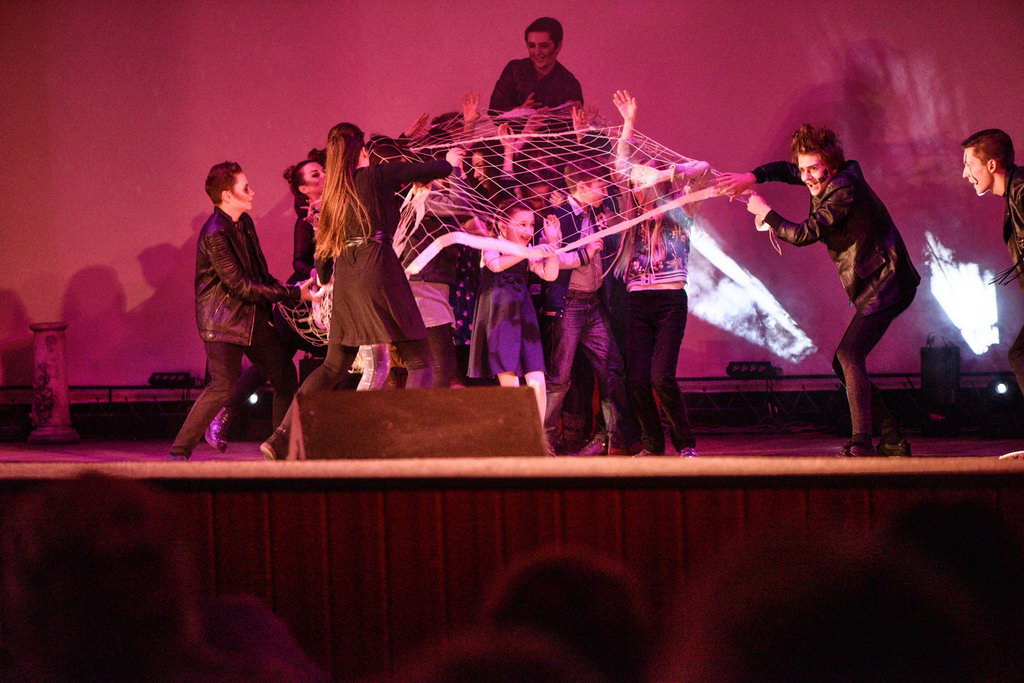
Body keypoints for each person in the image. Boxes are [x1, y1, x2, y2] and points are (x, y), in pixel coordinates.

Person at [716, 124, 920, 457]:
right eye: (803, 169)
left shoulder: (843, 189)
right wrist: (751, 177)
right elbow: (786, 171)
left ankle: (862, 443)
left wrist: (766, 214)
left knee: (849, 355)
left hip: (888, 281)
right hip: (879, 282)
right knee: (844, 361)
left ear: (831, 166)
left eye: (813, 169)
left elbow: (805, 233)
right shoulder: (823, 176)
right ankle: (892, 437)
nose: (807, 177)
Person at [260, 123, 460, 460]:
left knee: (332, 367)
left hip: (348, 279)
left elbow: (323, 258)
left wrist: (325, 279)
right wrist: (450, 161)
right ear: (361, 150)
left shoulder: (334, 194)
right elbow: (432, 168)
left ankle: (279, 438)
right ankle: (411, 443)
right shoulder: (376, 176)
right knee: (420, 359)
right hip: (380, 270)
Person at [169, 162, 313, 460]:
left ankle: (280, 448)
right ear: (227, 195)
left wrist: (290, 290)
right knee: (222, 386)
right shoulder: (215, 234)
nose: (252, 192)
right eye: (245, 188)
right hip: (223, 322)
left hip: (252, 319)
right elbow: (241, 286)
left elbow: (257, 273)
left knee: (285, 379)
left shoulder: (243, 223)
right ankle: (179, 452)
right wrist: (293, 294)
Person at [611, 90, 709, 457]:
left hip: (669, 301)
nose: (638, 188)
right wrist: (628, 123)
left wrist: (666, 171)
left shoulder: (681, 211)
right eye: (636, 184)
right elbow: (619, 166)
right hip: (638, 302)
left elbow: (703, 170)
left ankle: (685, 444)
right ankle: (653, 444)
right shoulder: (631, 216)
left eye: (644, 182)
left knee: (660, 376)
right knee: (636, 379)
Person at [541, 156, 633, 456]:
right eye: (599, 187)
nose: (604, 192)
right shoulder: (557, 216)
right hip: (569, 303)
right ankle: (544, 440)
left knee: (612, 368)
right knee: (560, 376)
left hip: (593, 302)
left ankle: (614, 438)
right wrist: (585, 253)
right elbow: (549, 257)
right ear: (581, 187)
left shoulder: (596, 214)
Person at [469, 201, 560, 421]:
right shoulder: (492, 244)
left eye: (532, 225)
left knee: (536, 374)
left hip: (523, 312)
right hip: (500, 315)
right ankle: (520, 432)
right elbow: (495, 265)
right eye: (522, 224)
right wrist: (528, 251)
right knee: (508, 375)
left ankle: (537, 433)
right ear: (502, 226)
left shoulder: (527, 252)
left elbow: (550, 275)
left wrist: (553, 244)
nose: (529, 230)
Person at [961, 130, 1024, 401]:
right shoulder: (1015, 192)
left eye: (969, 164)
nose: (965, 174)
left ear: (991, 165)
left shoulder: (1021, 190)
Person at [489, 17, 583, 114]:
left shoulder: (569, 83)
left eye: (544, 46)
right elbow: (493, 112)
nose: (537, 52)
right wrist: (519, 111)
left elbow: (574, 121)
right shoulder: (514, 70)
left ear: (558, 46)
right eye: (532, 46)